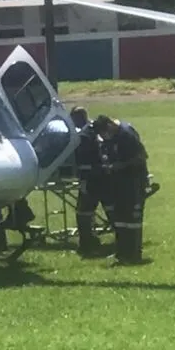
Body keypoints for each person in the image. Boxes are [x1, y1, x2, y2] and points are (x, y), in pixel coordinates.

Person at [94, 114, 149, 264]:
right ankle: (122, 252)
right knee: (119, 219)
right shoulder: (111, 137)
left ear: (110, 126)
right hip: (119, 182)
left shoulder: (126, 134)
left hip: (133, 181)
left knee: (131, 220)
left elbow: (141, 156)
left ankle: (133, 254)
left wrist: (121, 165)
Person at [70, 106, 112, 256]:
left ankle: (87, 243)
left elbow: (82, 160)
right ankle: (123, 241)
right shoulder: (95, 131)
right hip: (104, 176)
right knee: (110, 210)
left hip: (91, 178)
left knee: (83, 212)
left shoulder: (84, 136)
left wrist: (81, 178)